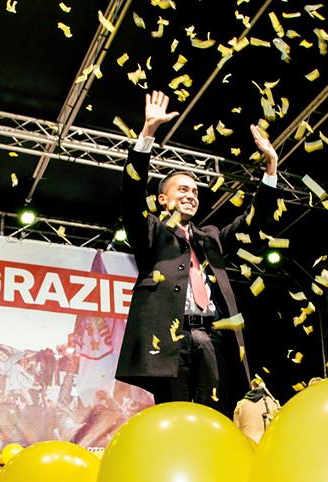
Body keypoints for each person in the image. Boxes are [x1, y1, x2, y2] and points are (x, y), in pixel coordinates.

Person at [115, 90, 280, 416]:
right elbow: (131, 198)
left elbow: (252, 222)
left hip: (211, 337)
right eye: (182, 189)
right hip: (170, 339)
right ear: (163, 200)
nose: (191, 195)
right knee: (176, 415)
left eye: (195, 191)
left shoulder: (211, 238)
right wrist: (147, 133)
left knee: (213, 414)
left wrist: (271, 169)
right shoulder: (152, 232)